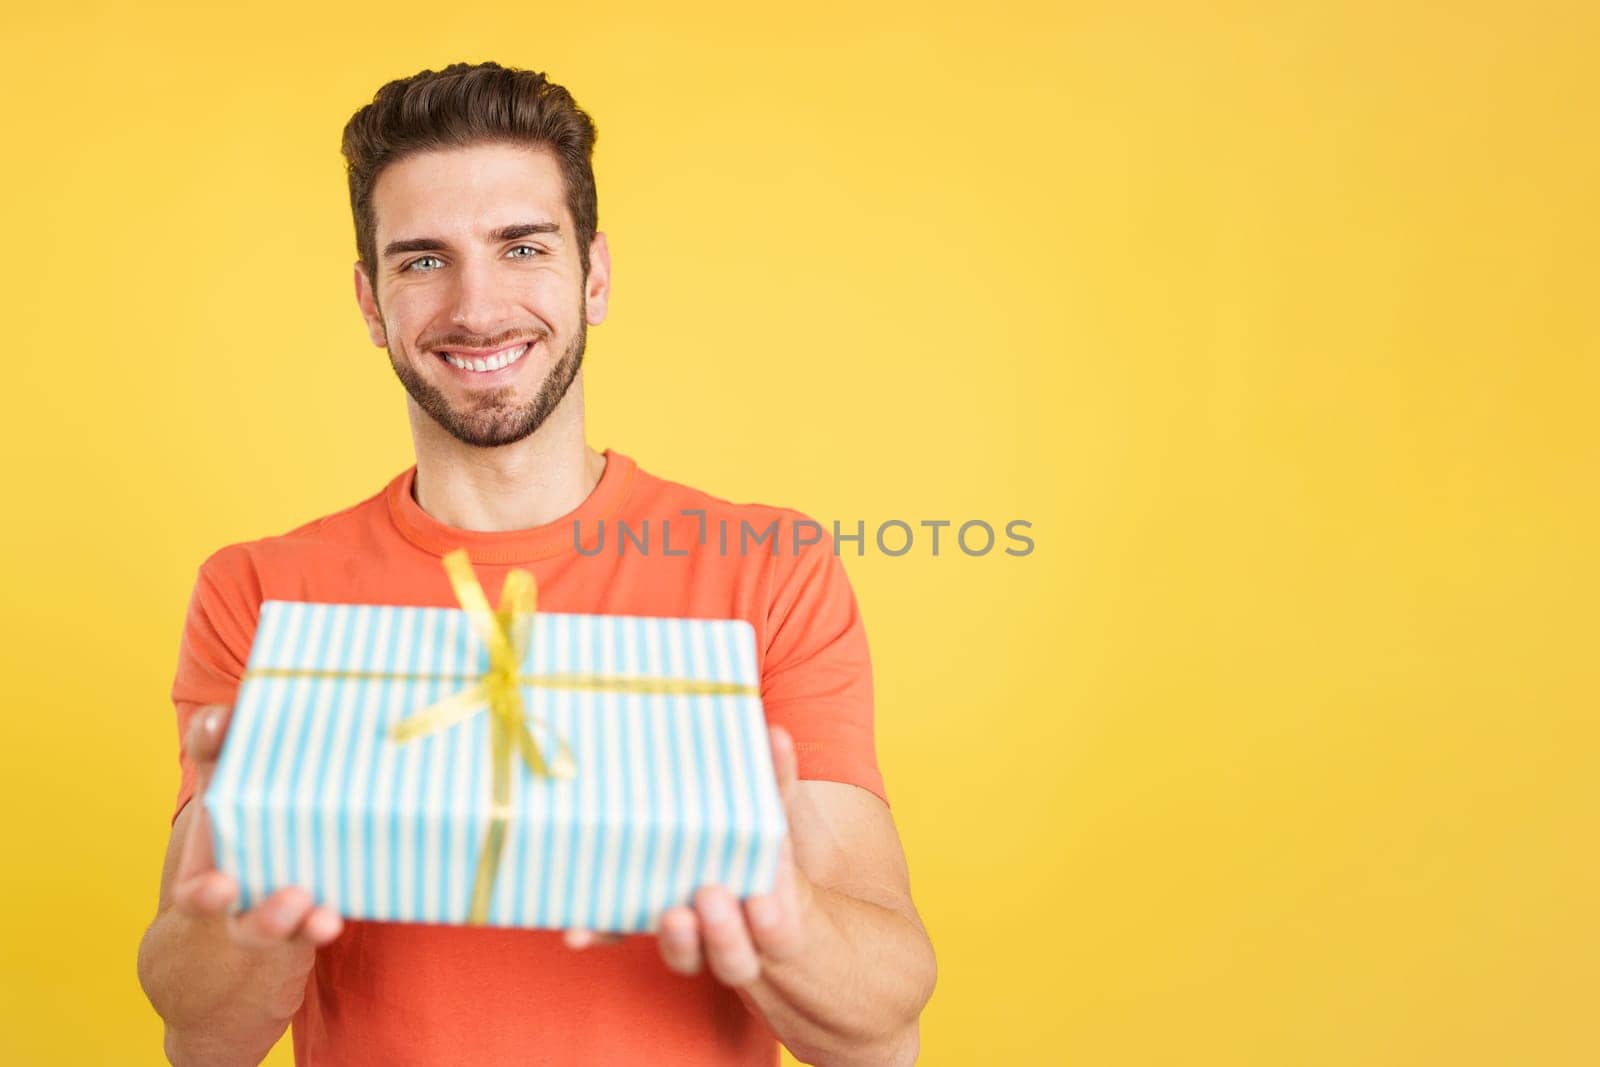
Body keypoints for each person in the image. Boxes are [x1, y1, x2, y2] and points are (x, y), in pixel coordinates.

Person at [134, 61, 936, 1066]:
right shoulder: (260, 593)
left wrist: (779, 913)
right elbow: (198, 1037)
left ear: (594, 276)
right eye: (423, 260)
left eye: (522, 246)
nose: (478, 305)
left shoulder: (765, 569)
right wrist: (246, 918)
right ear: (370, 302)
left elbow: (880, 1035)